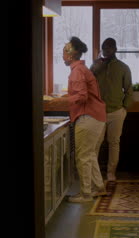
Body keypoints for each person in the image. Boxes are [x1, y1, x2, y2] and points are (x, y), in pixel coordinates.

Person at [48, 37, 108, 203]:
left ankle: (85, 194)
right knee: (89, 155)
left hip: (88, 117)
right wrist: (65, 97)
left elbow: (81, 96)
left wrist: (60, 101)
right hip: (97, 117)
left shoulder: (77, 71)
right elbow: (80, 93)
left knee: (82, 156)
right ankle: (99, 188)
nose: (62, 56)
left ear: (70, 55)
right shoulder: (81, 69)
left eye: (63, 53)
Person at [90, 38, 132, 181]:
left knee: (114, 142)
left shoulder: (123, 67)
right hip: (98, 112)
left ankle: (110, 173)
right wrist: (94, 69)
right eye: (103, 48)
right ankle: (93, 175)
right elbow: (88, 84)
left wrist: (124, 108)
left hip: (117, 112)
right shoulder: (95, 66)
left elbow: (129, 89)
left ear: (115, 49)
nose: (106, 50)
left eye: (109, 48)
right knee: (96, 143)